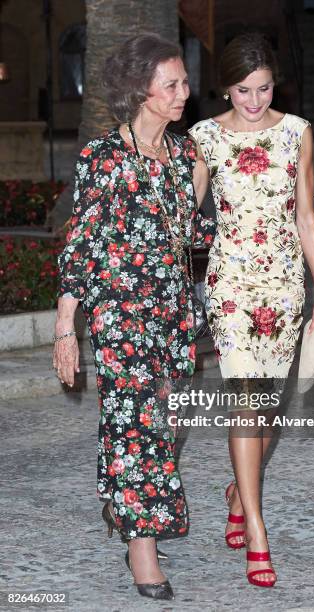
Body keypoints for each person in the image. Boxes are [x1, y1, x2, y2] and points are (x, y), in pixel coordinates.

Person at [54, 32, 215, 601]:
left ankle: (124, 505)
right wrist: (64, 329)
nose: (183, 93)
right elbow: (82, 245)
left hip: (173, 311)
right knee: (134, 423)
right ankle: (141, 547)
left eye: (184, 81)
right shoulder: (103, 157)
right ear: (139, 91)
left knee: (167, 424)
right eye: (170, 84)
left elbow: (192, 235)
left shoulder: (188, 156)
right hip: (120, 315)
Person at [189, 32, 314, 588]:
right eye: (242, 90)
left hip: (283, 289)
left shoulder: (296, 132)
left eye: (264, 88)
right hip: (229, 286)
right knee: (246, 405)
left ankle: (236, 489)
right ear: (225, 87)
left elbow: (306, 215)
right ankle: (256, 526)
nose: (253, 101)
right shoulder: (204, 137)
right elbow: (188, 220)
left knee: (267, 409)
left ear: (275, 83)